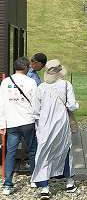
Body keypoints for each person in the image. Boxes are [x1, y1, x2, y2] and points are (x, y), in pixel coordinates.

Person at [31, 60, 79, 199]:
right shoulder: (65, 85)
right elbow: (72, 105)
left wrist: (37, 126)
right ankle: (70, 181)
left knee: (44, 151)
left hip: (45, 124)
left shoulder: (41, 87)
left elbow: (36, 110)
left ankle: (44, 186)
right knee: (65, 149)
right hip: (61, 123)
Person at [0, 57, 37, 196]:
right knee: (33, 150)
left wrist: (2, 124)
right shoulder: (31, 82)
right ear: (26, 67)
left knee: (10, 153)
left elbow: (1, 105)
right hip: (28, 121)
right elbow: (35, 104)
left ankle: (7, 185)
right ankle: (34, 179)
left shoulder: (5, 82)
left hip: (12, 122)